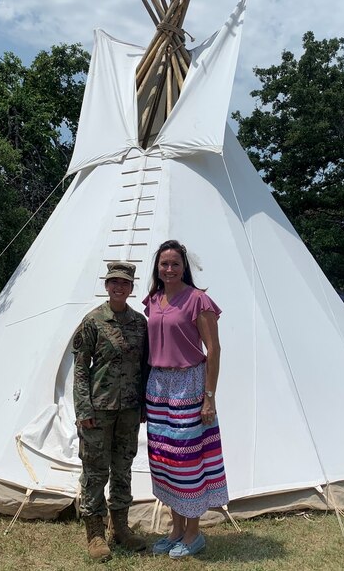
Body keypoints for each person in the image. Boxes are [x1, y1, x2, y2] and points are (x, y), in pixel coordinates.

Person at [143, 239, 228, 558]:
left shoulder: (199, 301)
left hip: (188, 384)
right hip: (158, 386)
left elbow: (214, 350)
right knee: (165, 460)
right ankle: (175, 528)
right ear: (157, 268)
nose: (169, 269)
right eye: (164, 264)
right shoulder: (151, 300)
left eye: (175, 263)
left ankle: (193, 533)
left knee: (188, 461)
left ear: (184, 267)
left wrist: (210, 396)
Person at [72, 261, 148, 561]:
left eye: (125, 283)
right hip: (98, 409)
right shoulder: (92, 322)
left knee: (123, 468)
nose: (119, 287)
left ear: (131, 288)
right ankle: (94, 534)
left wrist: (141, 404)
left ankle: (121, 529)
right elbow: (80, 370)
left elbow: (144, 367)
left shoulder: (139, 323)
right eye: (114, 282)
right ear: (106, 285)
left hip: (128, 409)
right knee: (94, 470)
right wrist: (83, 408)